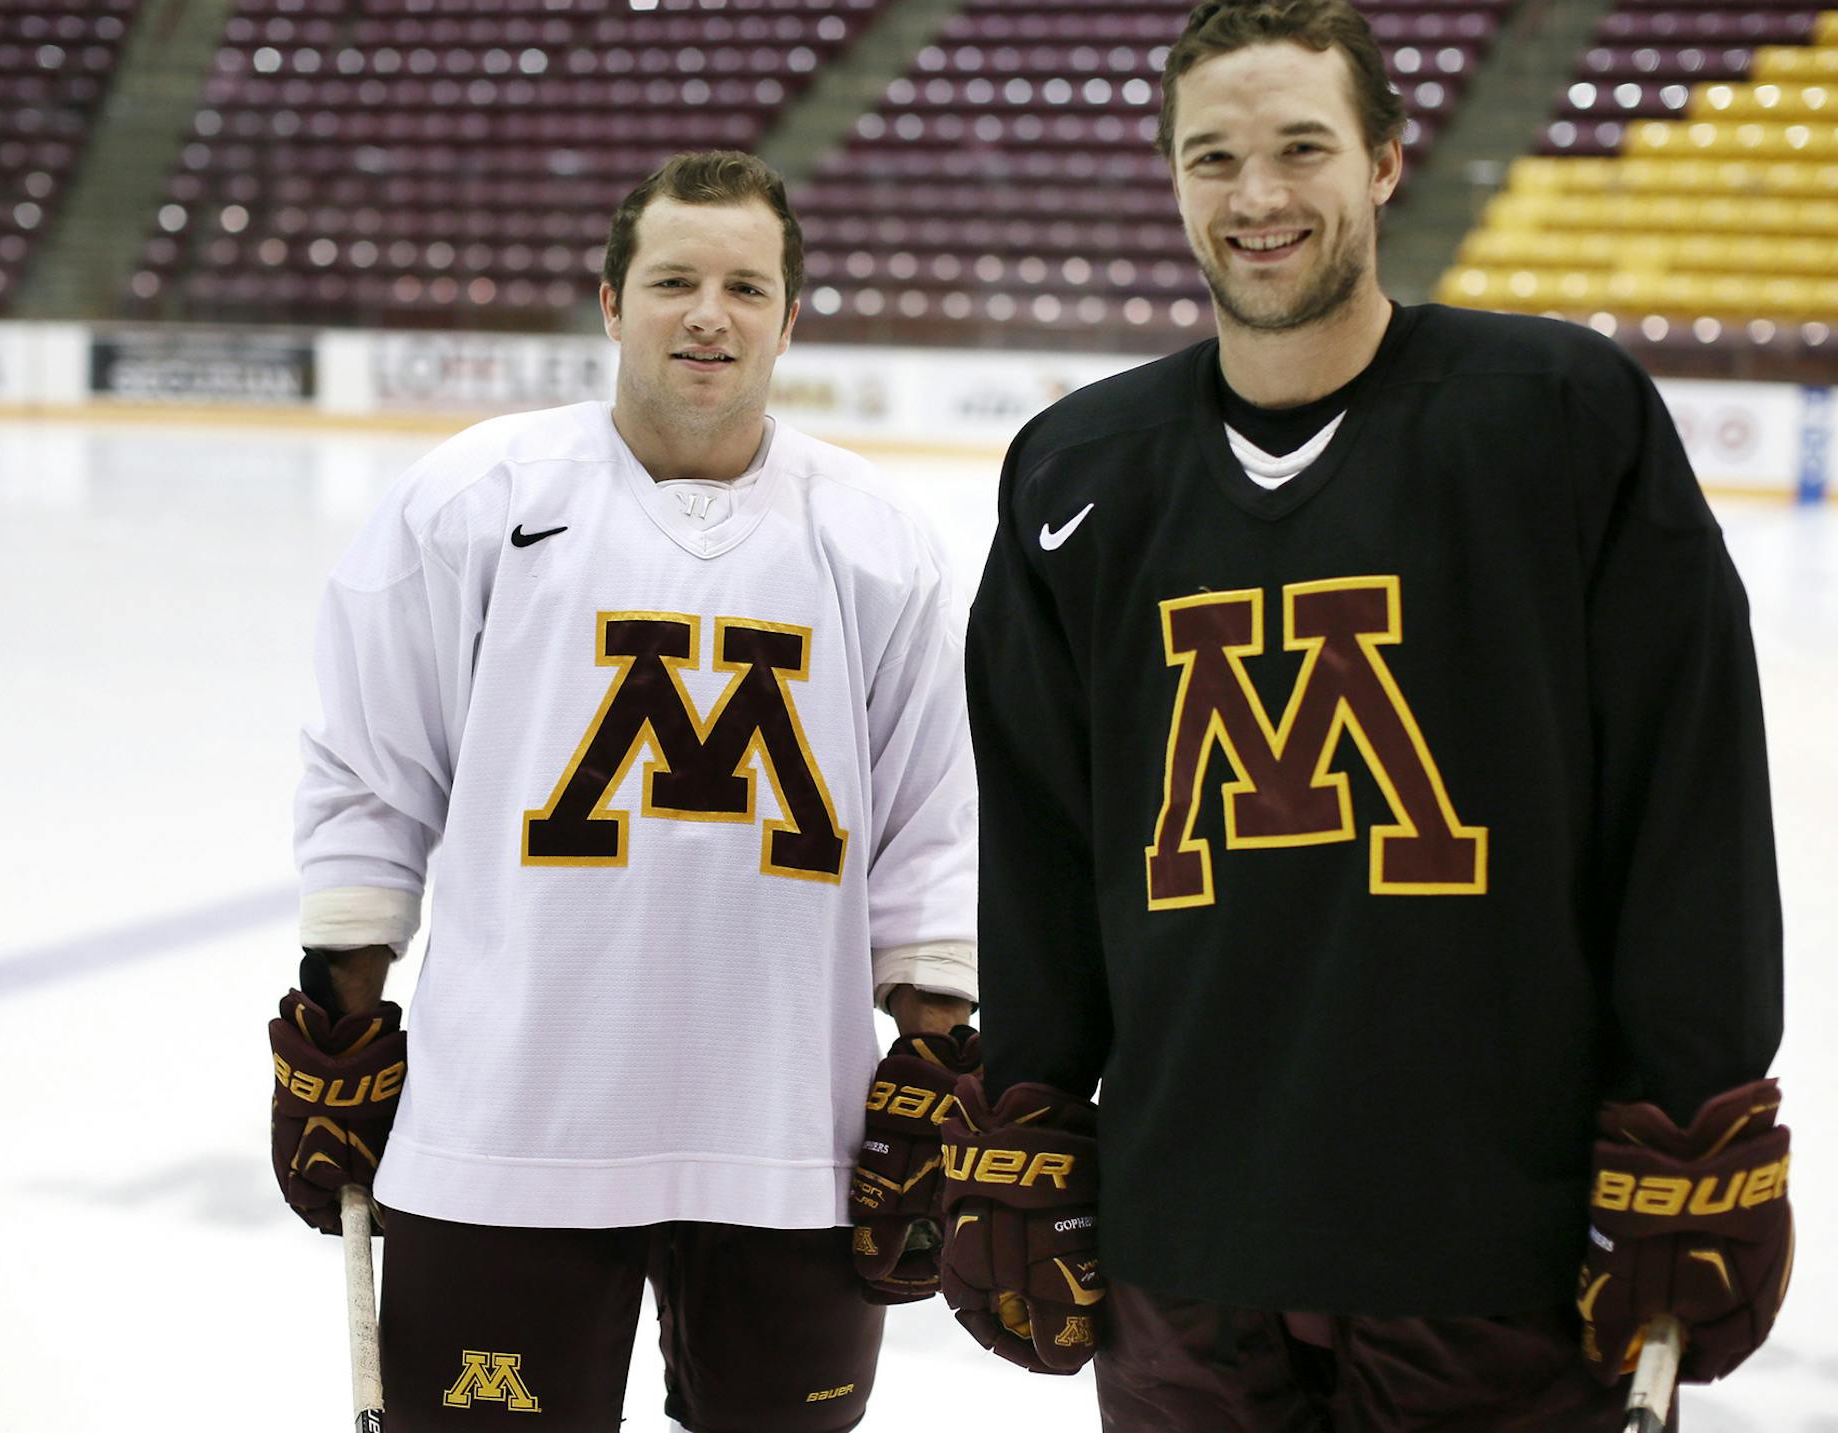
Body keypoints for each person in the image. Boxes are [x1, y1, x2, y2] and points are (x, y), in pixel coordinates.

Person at [940, 0, 1791, 1426]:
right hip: (1184, 1253)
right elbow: (1037, 844)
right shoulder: (1073, 474)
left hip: (1491, 1251)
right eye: (1212, 158)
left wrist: (1691, 1108)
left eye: (1300, 148)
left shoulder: (1564, 420)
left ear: (1386, 161)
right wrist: (1029, 1106)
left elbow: (1688, 795)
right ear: (1170, 180)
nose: (1257, 196)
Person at [267, 149, 979, 1433]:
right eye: (674, 281)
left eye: (746, 287)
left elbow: (931, 820)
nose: (710, 313)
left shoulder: (877, 535)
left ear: (790, 317)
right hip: (507, 1123)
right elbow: (376, 771)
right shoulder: (475, 498)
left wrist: (932, 1050)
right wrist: (340, 1004)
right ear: (609, 302)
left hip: (789, 1141)